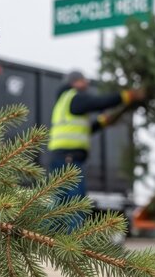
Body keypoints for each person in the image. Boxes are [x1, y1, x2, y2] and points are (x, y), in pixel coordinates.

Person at [47, 70, 146, 231]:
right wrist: (126, 96)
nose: (86, 84)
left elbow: (83, 130)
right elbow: (100, 102)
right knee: (75, 204)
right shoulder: (75, 97)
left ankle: (50, 240)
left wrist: (101, 122)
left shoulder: (64, 102)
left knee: (59, 204)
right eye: (83, 80)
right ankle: (74, 244)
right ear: (76, 82)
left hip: (61, 158)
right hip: (70, 159)